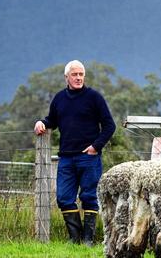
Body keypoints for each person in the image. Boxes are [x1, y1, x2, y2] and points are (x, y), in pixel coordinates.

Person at [34, 60, 116, 246]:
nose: (78, 78)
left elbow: (110, 125)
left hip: (89, 157)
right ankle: (74, 238)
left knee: (89, 197)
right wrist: (42, 123)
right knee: (63, 198)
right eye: (75, 75)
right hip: (66, 158)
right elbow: (52, 120)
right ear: (66, 77)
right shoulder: (59, 99)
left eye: (81, 74)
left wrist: (96, 147)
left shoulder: (94, 97)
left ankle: (87, 240)